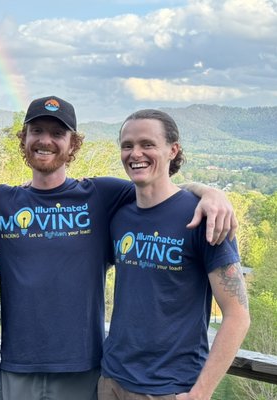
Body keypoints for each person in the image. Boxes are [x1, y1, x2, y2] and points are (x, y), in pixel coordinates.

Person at [0, 96, 237, 400]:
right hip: (15, 369)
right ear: (23, 140)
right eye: (36, 130)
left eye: (57, 133)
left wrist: (210, 192)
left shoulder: (104, 195)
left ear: (73, 144)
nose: (45, 139)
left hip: (85, 369)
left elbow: (159, 190)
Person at [99, 109, 250, 400]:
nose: (135, 153)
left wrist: (200, 393)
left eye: (147, 144)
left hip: (170, 388)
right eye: (127, 145)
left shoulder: (205, 218)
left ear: (173, 149)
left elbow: (237, 315)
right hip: (111, 381)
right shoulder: (119, 215)